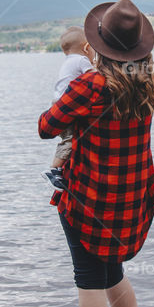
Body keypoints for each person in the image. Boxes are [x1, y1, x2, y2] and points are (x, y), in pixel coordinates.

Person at [38, 0, 154, 307]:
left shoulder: (89, 85)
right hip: (130, 199)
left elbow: (46, 126)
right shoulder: (146, 82)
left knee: (88, 277)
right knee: (113, 273)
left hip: (89, 200)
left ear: (99, 46)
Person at [42, 26, 94, 191]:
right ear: (86, 47)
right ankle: (53, 170)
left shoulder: (68, 61)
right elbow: (94, 76)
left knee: (67, 139)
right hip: (66, 105)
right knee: (70, 140)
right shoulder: (81, 60)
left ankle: (57, 169)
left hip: (57, 104)